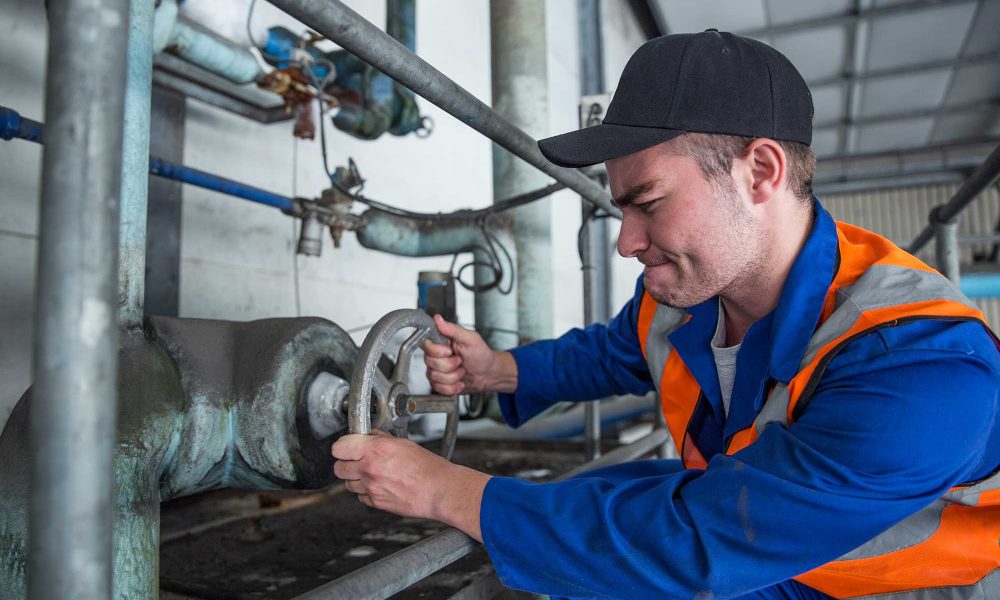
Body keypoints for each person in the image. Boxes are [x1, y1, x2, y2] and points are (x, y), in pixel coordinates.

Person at [332, 30, 1000, 599]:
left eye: (647, 202)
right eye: (619, 208)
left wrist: (449, 491)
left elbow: (700, 539)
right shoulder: (687, 297)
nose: (625, 241)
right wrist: (495, 370)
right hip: (756, 552)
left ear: (760, 172)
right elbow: (611, 351)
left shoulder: (920, 366)